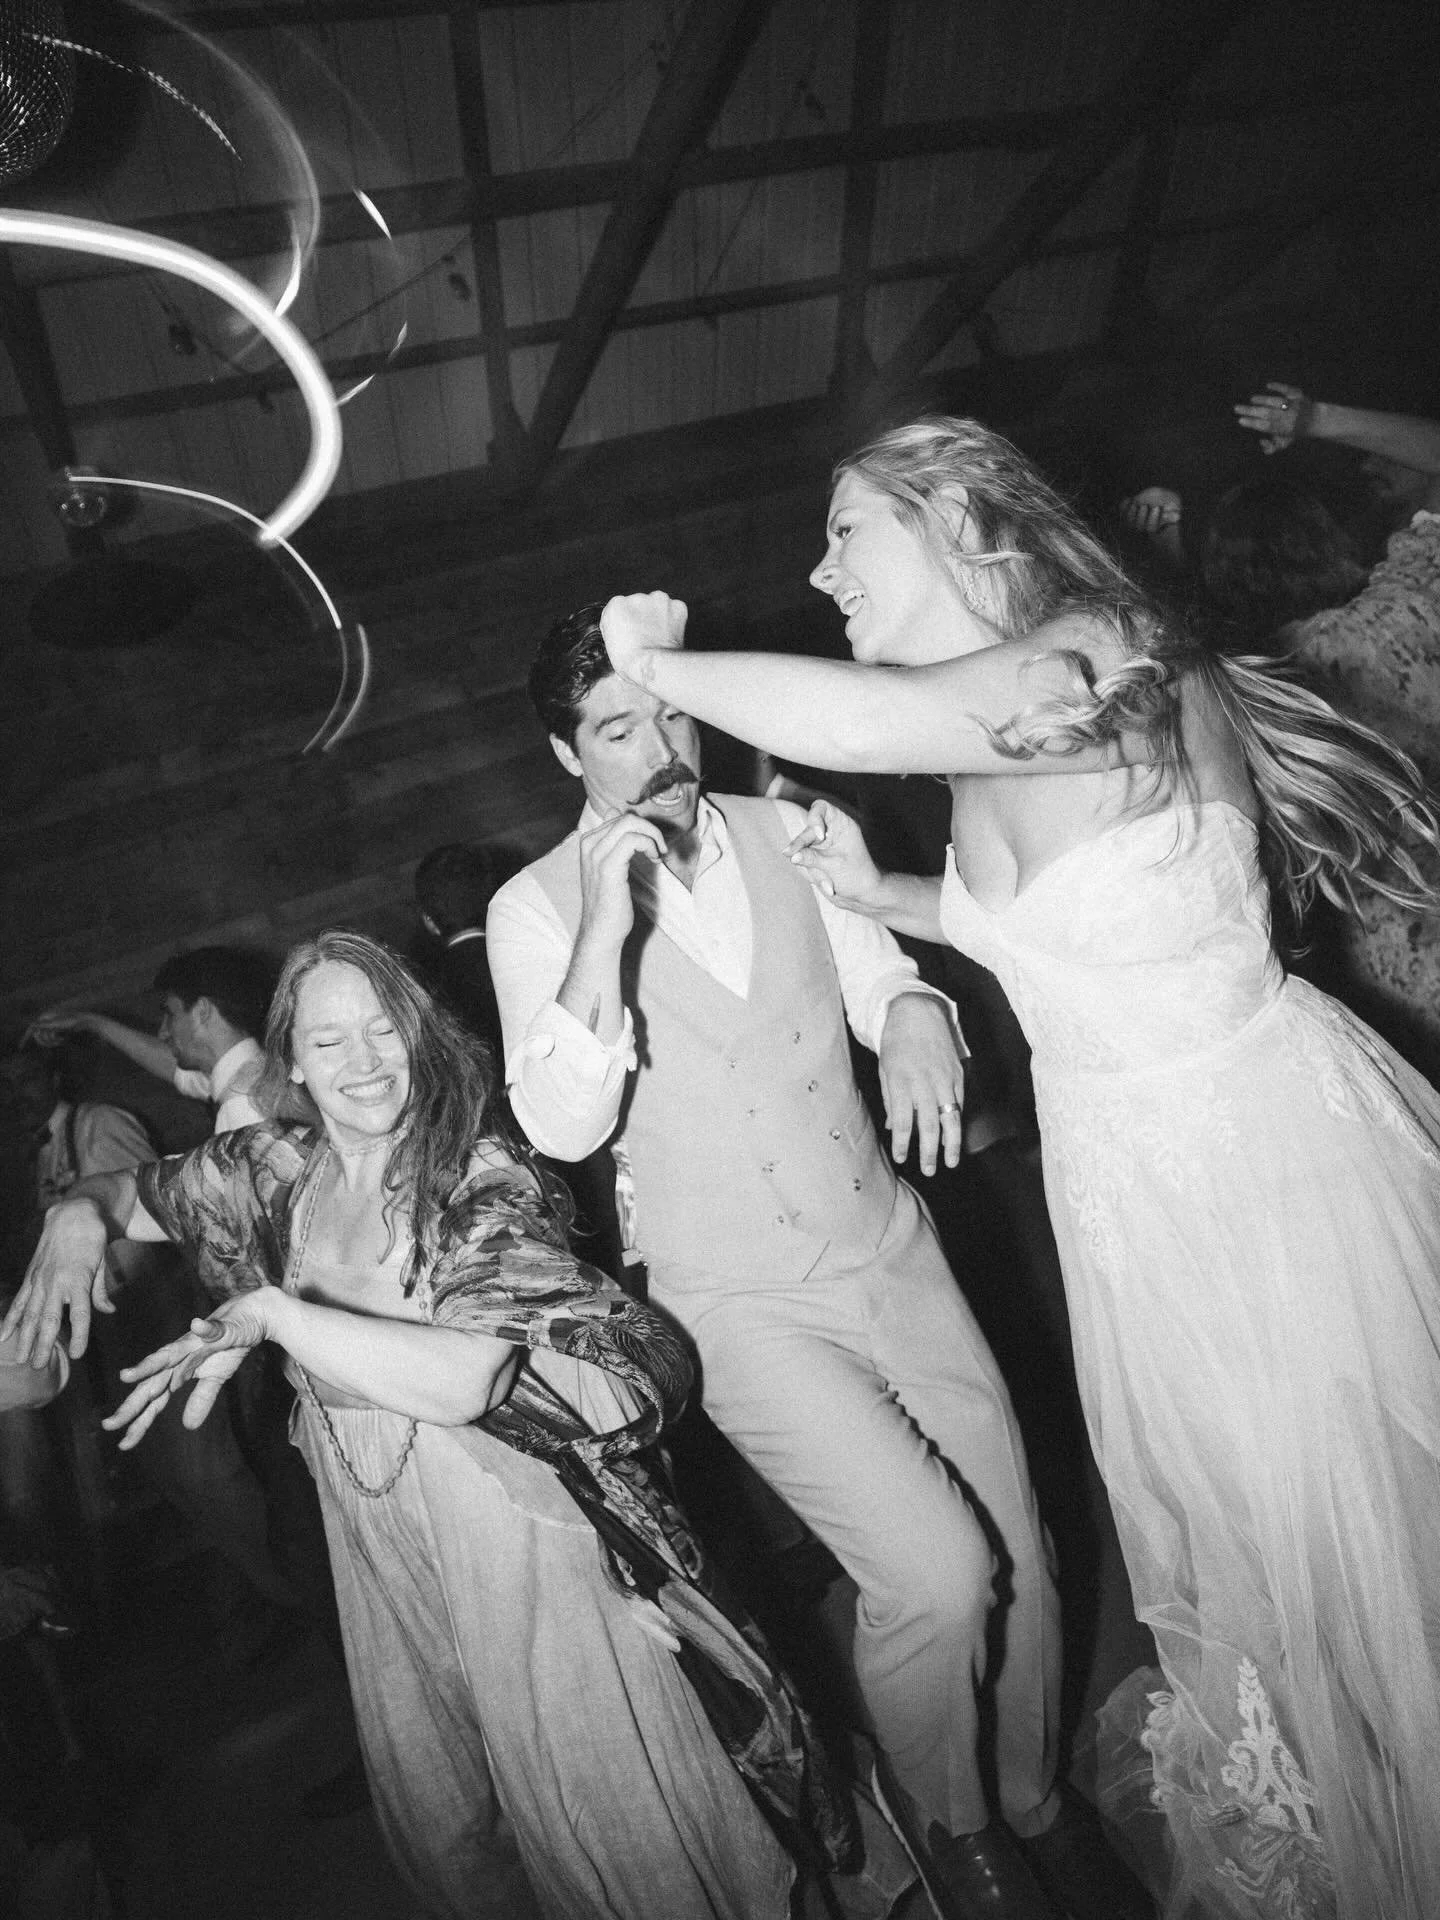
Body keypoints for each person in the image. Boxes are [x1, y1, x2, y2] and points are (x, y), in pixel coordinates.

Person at [592, 414, 1440, 1920]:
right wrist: (889, 892)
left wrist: (651, 667)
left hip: (1256, 1172)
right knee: (1240, 1534)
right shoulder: (1004, 730)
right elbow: (1046, 920)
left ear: (965, 521)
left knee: (1355, 1533)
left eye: (847, 531)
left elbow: (854, 725)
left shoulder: (1098, 641)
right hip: (1133, 1198)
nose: (819, 565)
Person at [487, 609, 1152, 1920]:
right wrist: (600, 935)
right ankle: (948, 1817)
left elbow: (875, 966)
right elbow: (561, 1125)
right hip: (732, 1300)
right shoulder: (531, 911)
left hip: (887, 1245)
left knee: (1025, 1546)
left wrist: (913, 1012)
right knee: (936, 1575)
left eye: (674, 713)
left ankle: (1025, 1794)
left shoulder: (777, 821)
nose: (661, 748)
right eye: (620, 730)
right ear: (568, 757)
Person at [3, 930, 857, 1920]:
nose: (364, 1063)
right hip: (368, 1519)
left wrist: (274, 1314)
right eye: (330, 1043)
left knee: (605, 1813)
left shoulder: (475, 1175)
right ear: (290, 1061)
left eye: (382, 1030)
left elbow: (467, 1377)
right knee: (442, 1811)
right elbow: (132, 1195)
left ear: (419, 1036)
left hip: (504, 1515)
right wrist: (78, 1214)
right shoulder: (272, 1167)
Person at [27, 946, 277, 1134]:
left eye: (170, 1014)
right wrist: (91, 1022)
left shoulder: (245, 1106)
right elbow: (178, 1070)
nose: (163, 1032)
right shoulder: (252, 1076)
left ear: (202, 1011)